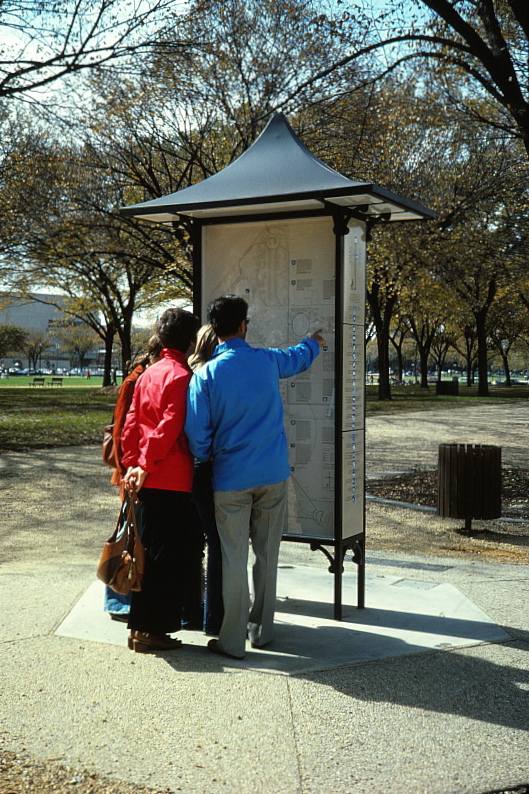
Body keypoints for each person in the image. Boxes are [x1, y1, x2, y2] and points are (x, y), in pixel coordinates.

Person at [185, 295, 325, 659]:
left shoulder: (205, 374)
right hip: (273, 474)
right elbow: (298, 357)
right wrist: (315, 342)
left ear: (214, 332)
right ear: (244, 326)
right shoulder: (266, 361)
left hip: (229, 479)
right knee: (267, 554)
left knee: (233, 558)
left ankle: (231, 641)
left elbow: (197, 436)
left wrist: (209, 454)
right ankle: (261, 631)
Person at [121, 307, 204, 653]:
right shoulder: (181, 376)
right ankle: (151, 630)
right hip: (171, 477)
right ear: (189, 341)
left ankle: (140, 626)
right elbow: (170, 425)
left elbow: (131, 425)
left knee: (147, 553)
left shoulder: (148, 374)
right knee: (167, 559)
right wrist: (147, 462)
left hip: (145, 479)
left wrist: (131, 465)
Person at [103, 335, 163, 622]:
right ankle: (118, 597)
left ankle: (124, 595)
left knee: (133, 534)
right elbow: (120, 431)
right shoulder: (134, 381)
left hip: (135, 472)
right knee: (127, 535)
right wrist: (127, 470)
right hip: (130, 474)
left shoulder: (143, 377)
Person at [188, 324, 224, 636]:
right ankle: (214, 617)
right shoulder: (209, 375)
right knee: (217, 543)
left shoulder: (189, 372)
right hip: (206, 467)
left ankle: (190, 608)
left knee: (191, 544)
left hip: (184, 472)